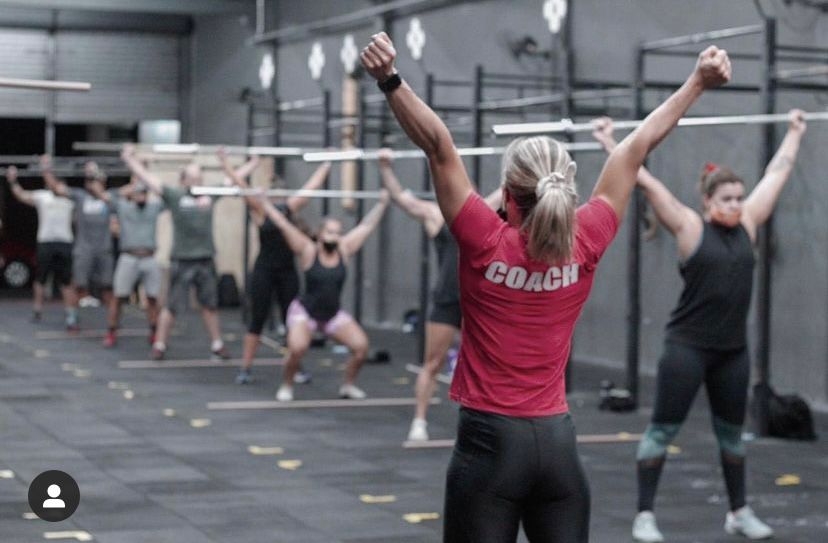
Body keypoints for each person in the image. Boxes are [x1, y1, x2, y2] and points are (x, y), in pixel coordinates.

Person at [361, 32, 730, 542]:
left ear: (509, 197)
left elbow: (438, 145)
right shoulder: (587, 238)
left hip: (489, 445)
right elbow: (636, 146)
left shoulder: (484, 239)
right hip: (557, 446)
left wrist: (390, 79)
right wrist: (697, 82)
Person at [592, 110, 806, 542]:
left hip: (732, 353)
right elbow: (644, 180)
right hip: (687, 349)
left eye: (739, 197)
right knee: (661, 432)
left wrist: (795, 132)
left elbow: (777, 173)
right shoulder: (689, 227)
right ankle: (644, 516)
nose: (736, 205)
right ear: (708, 202)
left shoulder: (748, 224)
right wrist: (609, 142)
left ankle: (738, 512)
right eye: (727, 199)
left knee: (732, 437)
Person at [375, 149, 501, 441]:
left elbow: (510, 186)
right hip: (447, 298)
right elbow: (402, 199)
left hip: (477, 302)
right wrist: (385, 167)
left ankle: (488, 425)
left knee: (487, 366)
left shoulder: (484, 210)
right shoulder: (437, 215)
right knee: (432, 363)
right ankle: (419, 422)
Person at [256, 187, 389, 402]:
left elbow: (367, 226)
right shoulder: (308, 251)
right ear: (319, 234)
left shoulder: (344, 249)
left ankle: (347, 386)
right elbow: (283, 224)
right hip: (305, 313)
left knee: (361, 348)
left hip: (331, 315)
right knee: (297, 348)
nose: (334, 237)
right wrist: (265, 203)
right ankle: (287, 385)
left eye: (337, 233)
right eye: (329, 232)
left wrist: (382, 203)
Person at [218, 149, 331, 385]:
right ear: (269, 195)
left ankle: (296, 368)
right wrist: (225, 163)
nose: (279, 199)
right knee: (257, 320)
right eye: (275, 195)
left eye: (281, 195)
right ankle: (246, 368)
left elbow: (310, 189)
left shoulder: (289, 208)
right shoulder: (260, 209)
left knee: (293, 321)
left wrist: (326, 163)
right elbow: (240, 184)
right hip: (264, 271)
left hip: (287, 272)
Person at [120, 144, 231, 361]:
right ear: (184, 180)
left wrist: (252, 163)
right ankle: (160, 345)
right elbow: (149, 180)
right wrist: (129, 160)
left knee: (209, 305)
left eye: (199, 178)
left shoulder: (210, 195)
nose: (197, 182)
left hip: (206, 258)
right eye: (193, 178)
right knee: (171, 305)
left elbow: (233, 181)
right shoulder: (175, 195)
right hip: (182, 259)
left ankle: (217, 344)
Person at [40, 155, 115, 330]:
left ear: (102, 181)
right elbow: (56, 187)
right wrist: (46, 169)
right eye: (88, 180)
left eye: (93, 180)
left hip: (104, 250)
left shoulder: (110, 197)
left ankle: (112, 324)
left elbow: (131, 190)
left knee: (108, 288)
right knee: (77, 284)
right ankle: (72, 319)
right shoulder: (80, 196)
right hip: (84, 249)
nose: (90, 183)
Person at [4, 165, 76, 327]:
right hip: (46, 242)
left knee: (66, 280)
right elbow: (21, 195)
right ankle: (37, 310)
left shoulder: (69, 198)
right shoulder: (42, 196)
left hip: (64, 242)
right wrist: (13, 181)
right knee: (41, 278)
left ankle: (71, 313)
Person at [99, 176, 164, 348]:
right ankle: (111, 331)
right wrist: (128, 188)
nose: (141, 196)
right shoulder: (124, 207)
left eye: (144, 193)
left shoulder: (153, 207)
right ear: (132, 194)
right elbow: (105, 196)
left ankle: (154, 332)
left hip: (149, 257)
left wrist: (150, 182)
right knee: (118, 296)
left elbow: (168, 197)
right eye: (138, 193)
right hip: (129, 257)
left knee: (152, 297)